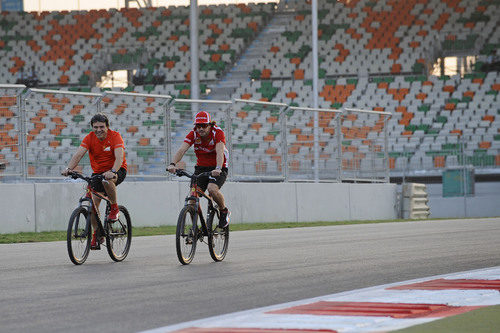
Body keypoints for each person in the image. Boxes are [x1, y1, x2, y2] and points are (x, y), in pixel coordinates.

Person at [62, 113, 127, 249]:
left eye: (101, 127)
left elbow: (119, 157)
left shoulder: (115, 136)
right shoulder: (90, 138)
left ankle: (114, 208)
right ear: (92, 127)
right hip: (97, 173)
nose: (98, 130)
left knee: (107, 181)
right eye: (95, 127)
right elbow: (79, 154)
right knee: (92, 207)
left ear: (107, 127)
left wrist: (113, 171)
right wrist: (69, 168)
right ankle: (98, 234)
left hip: (117, 170)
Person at [167, 111, 231, 228]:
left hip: (219, 166)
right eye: (198, 126)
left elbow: (220, 153)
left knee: (212, 189)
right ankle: (195, 229)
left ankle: (223, 211)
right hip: (201, 167)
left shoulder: (218, 133)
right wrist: (172, 164)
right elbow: (182, 150)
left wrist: (218, 168)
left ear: (210, 125)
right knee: (192, 199)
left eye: (204, 125)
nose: (201, 129)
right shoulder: (193, 134)